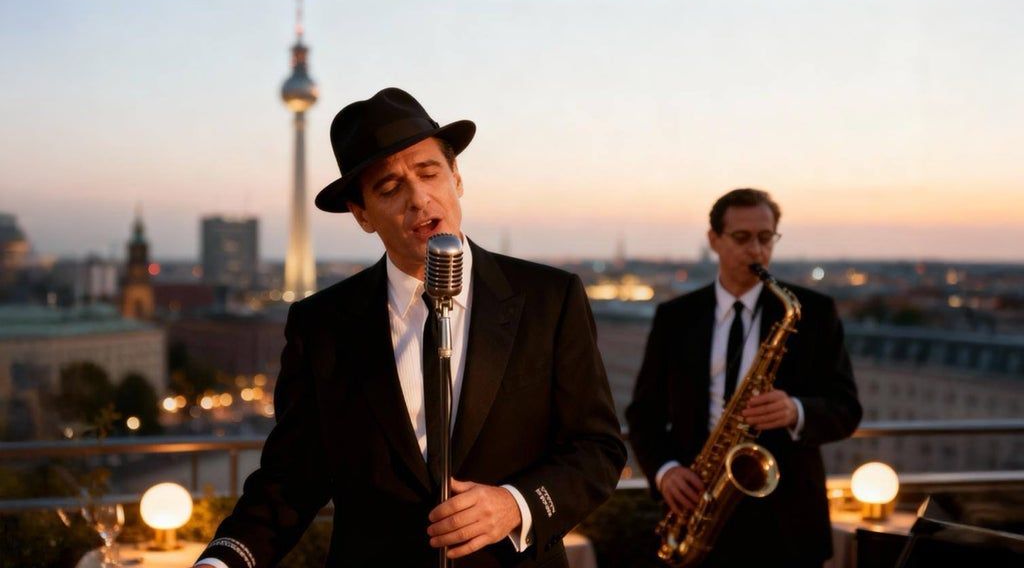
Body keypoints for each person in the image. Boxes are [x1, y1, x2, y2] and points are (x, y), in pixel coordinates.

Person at [195, 88, 626, 568]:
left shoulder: (550, 298)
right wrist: (222, 560)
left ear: (456, 177)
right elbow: (291, 479)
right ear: (362, 214)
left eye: (428, 172)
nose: (418, 198)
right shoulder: (322, 324)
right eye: (389, 188)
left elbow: (597, 449)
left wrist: (516, 505)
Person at [625, 188, 862, 568]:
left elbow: (847, 408)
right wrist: (665, 472)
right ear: (713, 239)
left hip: (789, 523)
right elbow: (644, 413)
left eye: (765, 238)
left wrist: (796, 411)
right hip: (697, 507)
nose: (756, 250)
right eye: (742, 237)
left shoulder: (813, 313)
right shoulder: (675, 316)